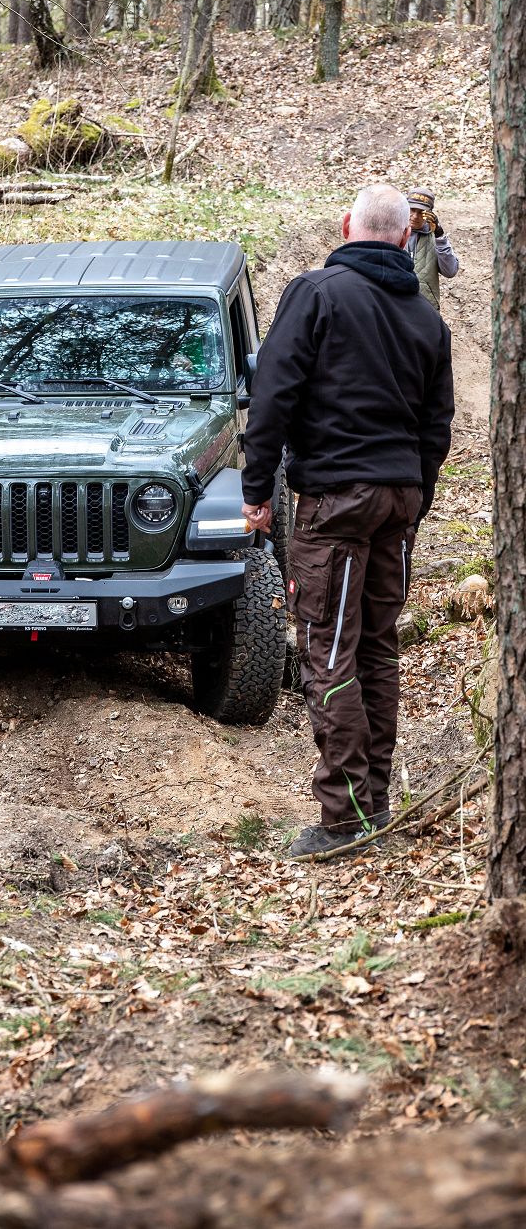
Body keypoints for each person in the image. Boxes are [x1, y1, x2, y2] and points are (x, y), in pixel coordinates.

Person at [239, 184, 454, 860]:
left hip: (336, 501)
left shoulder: (317, 293)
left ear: (346, 227)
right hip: (397, 497)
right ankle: (375, 804)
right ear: (403, 239)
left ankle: (345, 820)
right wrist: (416, 500)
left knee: (330, 653)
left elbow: (273, 392)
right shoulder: (426, 319)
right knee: (377, 651)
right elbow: (436, 427)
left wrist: (255, 491)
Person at [406, 187, 459, 310]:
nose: (415, 216)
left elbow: (450, 271)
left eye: (421, 212)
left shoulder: (435, 237)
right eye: (412, 210)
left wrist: (440, 237)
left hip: (427, 307)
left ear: (429, 214)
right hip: (396, 304)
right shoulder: (393, 233)